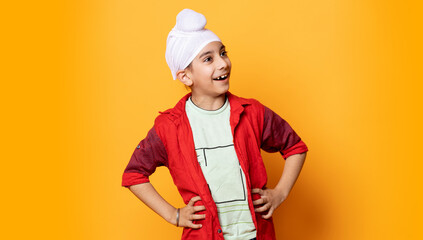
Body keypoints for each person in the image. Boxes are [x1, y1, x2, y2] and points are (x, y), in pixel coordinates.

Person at [121, 8, 308, 240]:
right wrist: (174, 215)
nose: (223, 63)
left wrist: (280, 193)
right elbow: (134, 174)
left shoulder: (252, 113)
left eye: (223, 53)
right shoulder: (169, 127)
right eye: (208, 59)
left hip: (256, 235)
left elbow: (295, 148)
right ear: (186, 77)